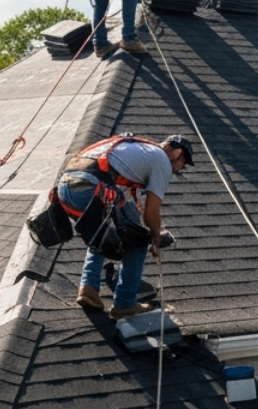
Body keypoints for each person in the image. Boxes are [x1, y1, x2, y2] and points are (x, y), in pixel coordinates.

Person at [58, 133, 192, 318]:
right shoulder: (162, 161)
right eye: (182, 164)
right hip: (91, 186)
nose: (180, 169)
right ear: (177, 153)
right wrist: (154, 237)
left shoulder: (139, 150)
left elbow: (132, 206)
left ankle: (88, 288)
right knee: (137, 241)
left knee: (103, 232)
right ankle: (125, 303)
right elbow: (151, 212)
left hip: (66, 188)